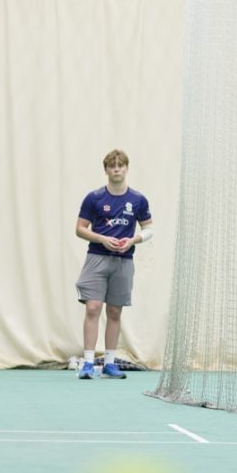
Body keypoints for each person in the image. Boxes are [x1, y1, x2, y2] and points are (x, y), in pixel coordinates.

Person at [74, 149, 153, 380]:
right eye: (112, 166)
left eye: (120, 165)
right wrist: (102, 239)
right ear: (106, 170)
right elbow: (80, 229)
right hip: (97, 258)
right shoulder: (94, 198)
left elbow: (149, 228)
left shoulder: (138, 200)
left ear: (127, 168)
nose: (116, 169)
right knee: (92, 307)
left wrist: (133, 240)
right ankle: (88, 363)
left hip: (124, 261)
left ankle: (109, 363)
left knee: (115, 311)